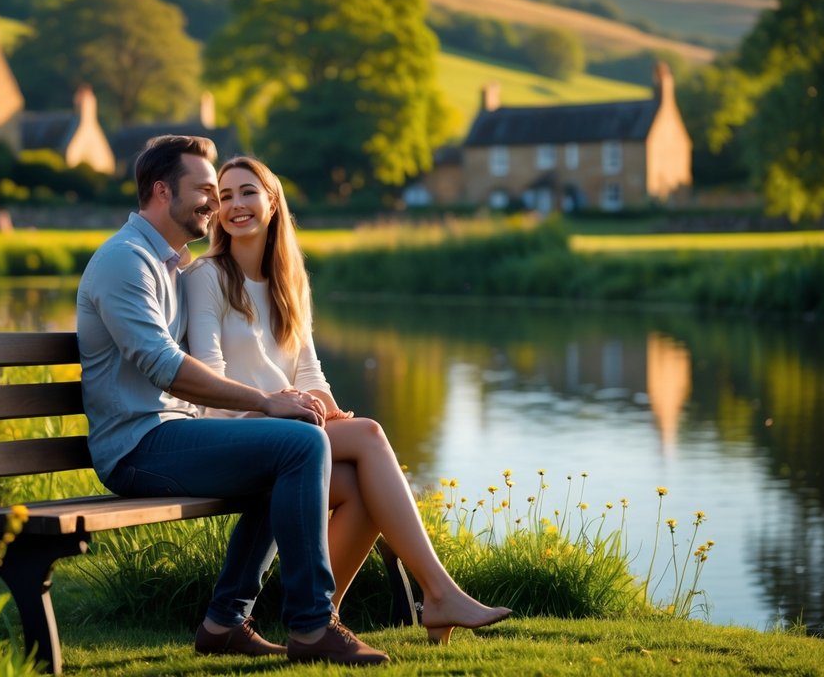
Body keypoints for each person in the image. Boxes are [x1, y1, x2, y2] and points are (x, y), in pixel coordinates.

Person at [76, 135, 390, 665]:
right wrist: (266, 403)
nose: (215, 204)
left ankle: (225, 621)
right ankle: (312, 625)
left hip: (171, 434)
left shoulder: (170, 265)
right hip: (137, 449)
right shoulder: (124, 262)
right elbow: (165, 367)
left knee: (285, 453)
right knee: (297, 444)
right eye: (204, 189)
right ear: (161, 191)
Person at [182, 155, 512, 645]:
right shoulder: (205, 276)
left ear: (272, 203)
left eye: (247, 192)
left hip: (290, 433)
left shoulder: (289, 283)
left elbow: (310, 372)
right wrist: (283, 404)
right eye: (224, 196)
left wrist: (326, 409)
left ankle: (319, 617)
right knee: (371, 434)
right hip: (235, 429)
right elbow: (211, 377)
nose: (235, 205)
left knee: (359, 484)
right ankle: (437, 593)